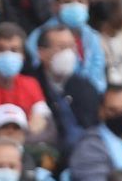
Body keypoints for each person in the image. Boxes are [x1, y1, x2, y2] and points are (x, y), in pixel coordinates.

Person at [26, 0, 107, 93]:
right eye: (68, 1)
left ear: (88, 4)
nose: (75, 6)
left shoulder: (93, 37)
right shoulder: (39, 37)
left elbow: (98, 78)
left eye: (80, 1)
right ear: (55, 6)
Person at [33, 24, 101, 153]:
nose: (69, 53)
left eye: (72, 47)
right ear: (41, 53)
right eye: (62, 47)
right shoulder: (32, 84)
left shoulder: (85, 86)